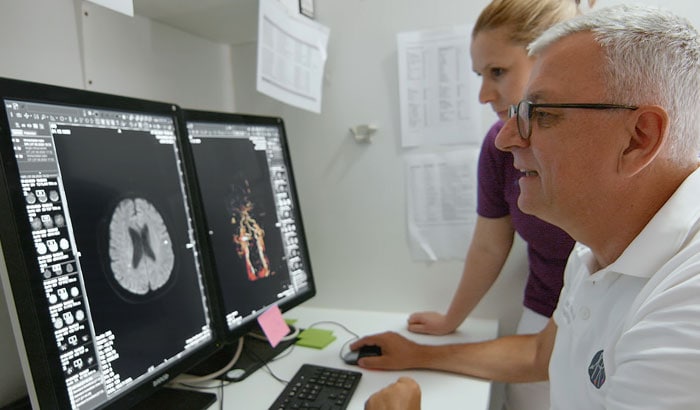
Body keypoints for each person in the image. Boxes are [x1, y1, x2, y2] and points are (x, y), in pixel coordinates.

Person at [361, 4, 700, 409]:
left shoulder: (684, 310)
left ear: (638, 139)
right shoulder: (590, 254)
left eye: (540, 114)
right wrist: (420, 355)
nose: (505, 140)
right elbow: (542, 355)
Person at [407, 1, 591, 408]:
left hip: (605, 322)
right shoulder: (498, 145)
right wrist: (450, 320)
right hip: (543, 313)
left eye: (498, 72)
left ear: (550, 56)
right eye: (479, 75)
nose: (483, 94)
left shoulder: (597, 143)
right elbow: (489, 244)